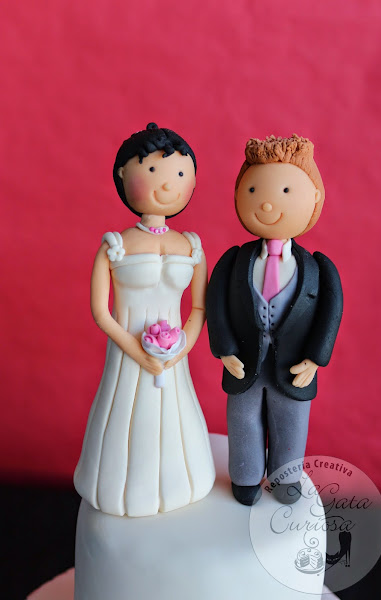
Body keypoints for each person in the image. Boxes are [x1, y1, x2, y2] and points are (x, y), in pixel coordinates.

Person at [74, 123, 215, 518]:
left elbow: (198, 309)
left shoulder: (192, 246)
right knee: (126, 416)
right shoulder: (114, 246)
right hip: (127, 356)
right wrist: (137, 351)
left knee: (174, 420)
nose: (168, 183)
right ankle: (120, 490)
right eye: (152, 170)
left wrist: (179, 350)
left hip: (174, 359)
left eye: (181, 173)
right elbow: (101, 312)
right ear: (123, 174)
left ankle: (180, 483)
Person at [207, 134, 343, 506]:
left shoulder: (318, 269)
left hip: (294, 367)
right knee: (243, 421)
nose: (267, 202)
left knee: (291, 424)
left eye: (286, 190)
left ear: (315, 196)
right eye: (253, 190)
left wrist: (315, 359)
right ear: (238, 195)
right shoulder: (233, 262)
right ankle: (246, 478)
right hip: (244, 363)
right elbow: (216, 306)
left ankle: (286, 479)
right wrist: (225, 350)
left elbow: (329, 316)